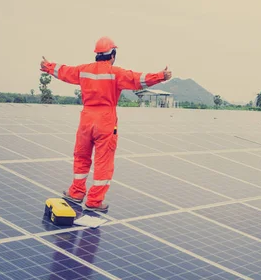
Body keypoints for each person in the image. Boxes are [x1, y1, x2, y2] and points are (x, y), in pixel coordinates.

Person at [40, 36, 172, 212]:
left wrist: (47, 66)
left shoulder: (83, 70)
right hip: (106, 121)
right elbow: (138, 80)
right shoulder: (116, 73)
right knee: (103, 162)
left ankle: (76, 192)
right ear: (112, 55)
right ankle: (94, 201)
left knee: (81, 156)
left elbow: (65, 72)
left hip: (86, 119)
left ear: (96, 55)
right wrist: (161, 76)